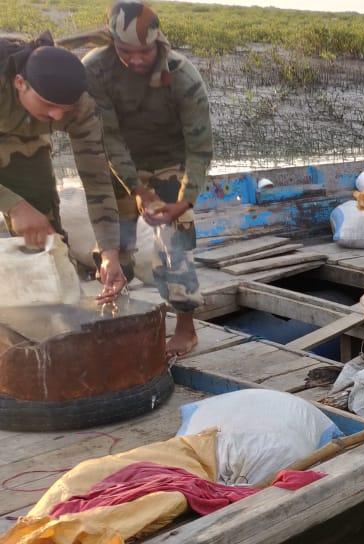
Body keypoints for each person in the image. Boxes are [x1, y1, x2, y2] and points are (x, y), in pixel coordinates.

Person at [76, 1, 213, 357]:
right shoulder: (95, 70)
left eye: (144, 51)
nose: (136, 60)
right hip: (122, 163)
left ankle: (186, 327)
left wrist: (183, 200)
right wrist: (136, 189)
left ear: (157, 42)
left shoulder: (183, 76)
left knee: (176, 240)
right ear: (111, 43)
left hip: (170, 161)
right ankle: (114, 315)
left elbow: (200, 150)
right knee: (113, 243)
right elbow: (108, 139)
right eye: (125, 51)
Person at [0, 33, 127, 303]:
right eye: (49, 106)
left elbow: (97, 181)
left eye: (64, 109)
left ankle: (43, 310)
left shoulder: (81, 107)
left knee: (41, 237)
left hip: (23, 134)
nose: (58, 116)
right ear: (20, 83)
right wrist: (13, 205)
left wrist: (108, 252)